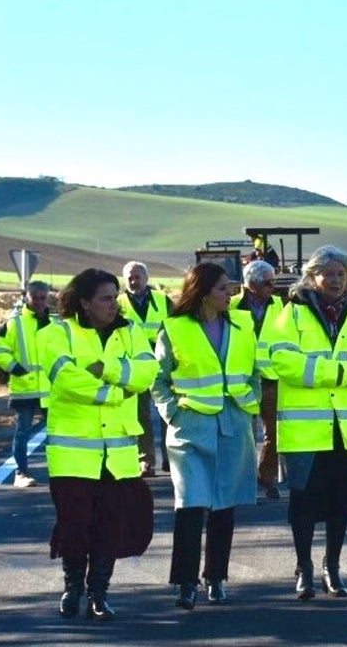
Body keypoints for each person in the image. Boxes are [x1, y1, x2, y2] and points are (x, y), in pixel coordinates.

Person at [36, 269, 159, 621]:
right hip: (73, 455)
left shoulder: (130, 330)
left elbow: (146, 372)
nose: (113, 304)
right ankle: (72, 588)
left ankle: (99, 594)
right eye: (105, 298)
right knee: (75, 525)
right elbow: (65, 380)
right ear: (85, 302)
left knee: (110, 525)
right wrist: (117, 391)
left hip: (117, 454)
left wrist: (103, 367)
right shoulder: (58, 332)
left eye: (115, 296)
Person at [267, 245, 347, 600]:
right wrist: (340, 373)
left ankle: (330, 568)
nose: (335, 280)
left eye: (341, 274)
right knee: (303, 504)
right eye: (328, 274)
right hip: (305, 431)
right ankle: (303, 567)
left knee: (341, 503)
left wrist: (334, 373)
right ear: (313, 277)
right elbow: (281, 359)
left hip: (346, 429)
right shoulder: (293, 313)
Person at [151, 262, 259, 611]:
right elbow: (158, 379)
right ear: (203, 292)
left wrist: (251, 405)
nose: (231, 294)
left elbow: (254, 370)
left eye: (231, 287)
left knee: (224, 505)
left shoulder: (243, 324)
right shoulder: (175, 328)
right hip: (190, 429)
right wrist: (174, 415)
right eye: (223, 288)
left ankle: (215, 577)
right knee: (191, 505)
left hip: (233, 425)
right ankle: (185, 582)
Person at [230, 259, 285, 500]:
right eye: (267, 282)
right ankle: (243, 479)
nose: (272, 287)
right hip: (240, 379)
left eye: (273, 282)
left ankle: (268, 477)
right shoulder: (230, 306)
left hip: (271, 378)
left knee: (273, 432)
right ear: (251, 284)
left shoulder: (281, 306)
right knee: (243, 433)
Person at [0, 281, 53, 488]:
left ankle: (59, 471)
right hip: (24, 388)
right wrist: (16, 368)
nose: (38, 301)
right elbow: (0, 351)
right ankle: (21, 473)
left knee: (57, 432)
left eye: (42, 297)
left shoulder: (54, 324)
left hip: (50, 390)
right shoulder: (14, 323)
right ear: (26, 297)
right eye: (34, 297)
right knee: (23, 432)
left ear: (47, 298)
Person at [118, 261, 174, 476]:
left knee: (167, 413)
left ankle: (170, 457)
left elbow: (177, 327)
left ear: (146, 278)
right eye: (130, 277)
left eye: (137, 276)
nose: (134, 281)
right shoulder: (118, 303)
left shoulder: (162, 300)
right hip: (135, 368)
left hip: (162, 366)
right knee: (141, 417)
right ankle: (146, 460)